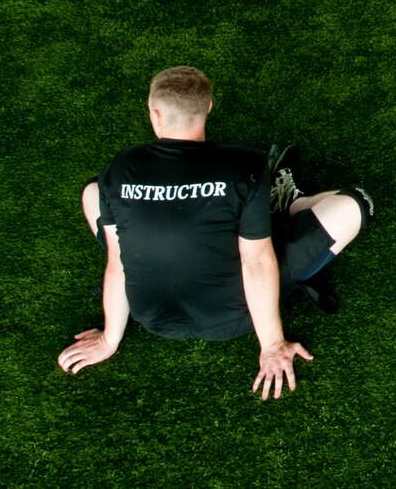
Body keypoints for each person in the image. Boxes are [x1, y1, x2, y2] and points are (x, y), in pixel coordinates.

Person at [56, 66, 373, 398]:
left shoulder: (121, 166)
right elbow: (256, 263)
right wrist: (272, 345)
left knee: (95, 191)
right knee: (355, 203)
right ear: (208, 107)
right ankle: (291, 205)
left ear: (155, 113)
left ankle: (274, 207)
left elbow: (118, 263)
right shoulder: (245, 164)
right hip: (233, 316)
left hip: (150, 313)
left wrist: (109, 340)